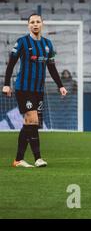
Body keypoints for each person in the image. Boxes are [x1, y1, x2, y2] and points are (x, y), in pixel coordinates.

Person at [2, 14, 67, 168]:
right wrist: (6, 84)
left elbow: (51, 67)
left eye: (38, 22)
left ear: (42, 24)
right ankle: (37, 158)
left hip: (38, 90)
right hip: (24, 89)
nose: (35, 24)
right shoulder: (22, 42)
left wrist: (60, 85)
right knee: (32, 120)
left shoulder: (47, 44)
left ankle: (18, 160)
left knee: (31, 124)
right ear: (28, 25)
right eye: (32, 22)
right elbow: (11, 64)